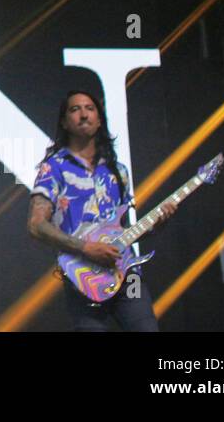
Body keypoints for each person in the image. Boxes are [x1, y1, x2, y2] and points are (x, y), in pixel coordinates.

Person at [28, 90, 175, 331]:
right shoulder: (54, 168)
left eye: (90, 108)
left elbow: (123, 231)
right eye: (75, 109)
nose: (83, 114)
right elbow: (36, 225)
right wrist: (86, 248)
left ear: (99, 119)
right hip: (83, 278)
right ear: (64, 122)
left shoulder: (118, 171)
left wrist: (155, 226)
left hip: (127, 275)